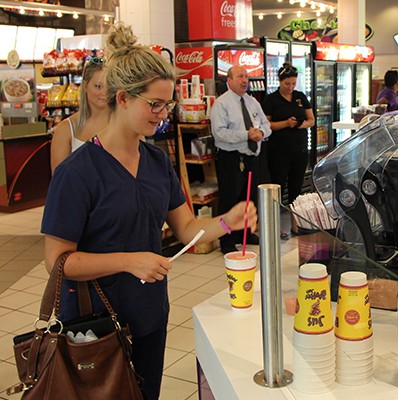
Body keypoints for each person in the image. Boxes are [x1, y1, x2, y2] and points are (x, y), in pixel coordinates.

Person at [41, 23, 257, 400]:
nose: (162, 114)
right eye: (154, 104)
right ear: (122, 98)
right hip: (93, 323)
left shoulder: (157, 162)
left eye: (167, 104)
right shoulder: (78, 173)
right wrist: (128, 261)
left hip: (149, 314)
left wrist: (226, 221)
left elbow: (187, 228)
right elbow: (56, 260)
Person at [210, 65, 271, 254]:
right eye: (239, 77)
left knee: (249, 198)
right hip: (231, 158)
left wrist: (260, 132)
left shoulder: (252, 102)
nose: (245, 80)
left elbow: (267, 125)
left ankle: (246, 233)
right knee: (230, 199)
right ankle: (227, 240)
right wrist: (246, 135)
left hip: (252, 157)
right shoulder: (222, 103)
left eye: (246, 76)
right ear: (229, 80)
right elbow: (219, 133)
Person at [262, 63, 315, 239]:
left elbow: (311, 120)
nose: (290, 87)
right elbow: (266, 124)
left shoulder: (300, 97)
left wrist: (300, 124)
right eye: (287, 84)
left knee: (296, 188)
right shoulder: (271, 100)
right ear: (280, 81)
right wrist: (286, 123)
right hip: (278, 151)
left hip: (299, 149)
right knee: (277, 188)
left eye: (293, 83)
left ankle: (295, 225)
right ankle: (274, 226)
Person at [50, 55, 110, 173]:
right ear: (85, 85)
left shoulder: (127, 125)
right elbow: (60, 183)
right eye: (98, 86)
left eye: (110, 87)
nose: (104, 92)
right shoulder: (65, 130)